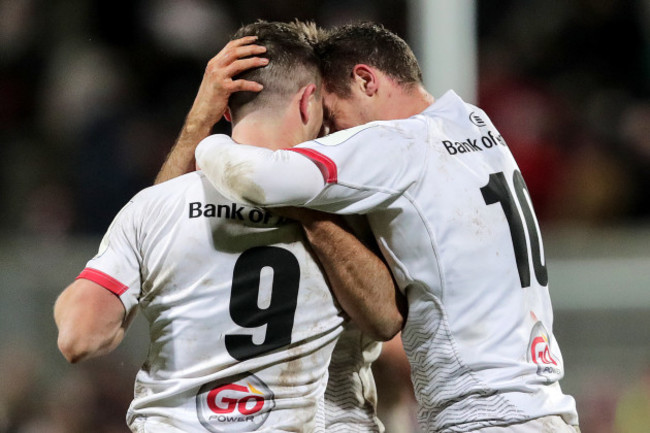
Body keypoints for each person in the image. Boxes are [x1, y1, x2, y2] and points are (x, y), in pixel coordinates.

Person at [193, 22, 581, 433]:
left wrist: (211, 131)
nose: (329, 132)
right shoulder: (473, 121)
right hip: (541, 407)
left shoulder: (398, 142)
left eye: (333, 114)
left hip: (485, 415)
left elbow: (257, 176)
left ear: (365, 80)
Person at [54, 21, 403, 433]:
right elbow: (386, 320)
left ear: (224, 109)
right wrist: (300, 208)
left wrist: (195, 124)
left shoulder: (155, 207)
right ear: (310, 103)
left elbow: (79, 338)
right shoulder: (347, 205)